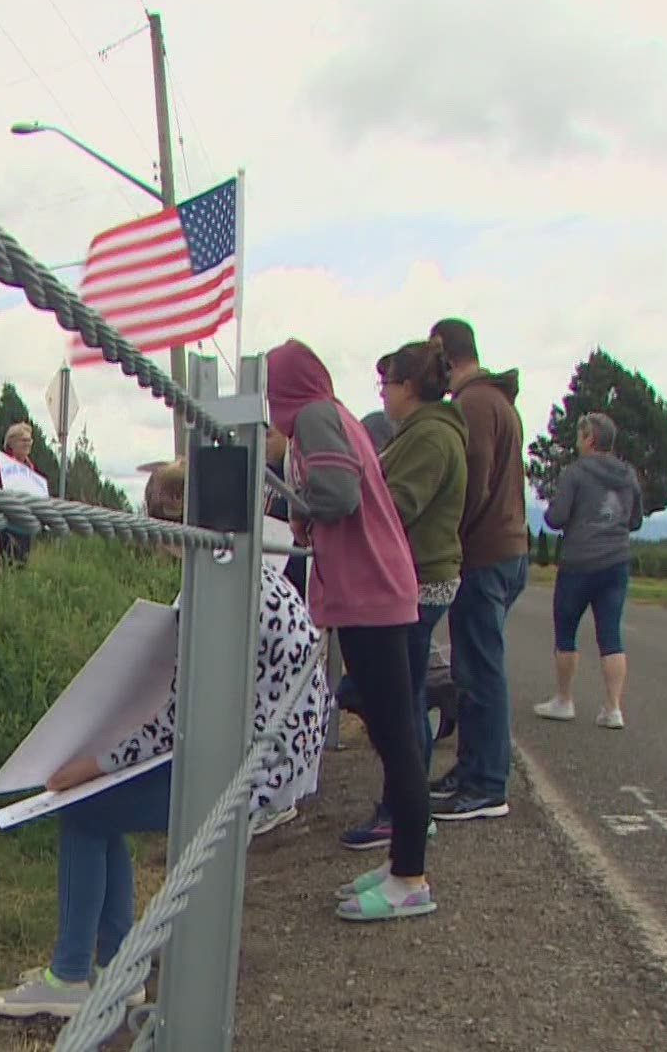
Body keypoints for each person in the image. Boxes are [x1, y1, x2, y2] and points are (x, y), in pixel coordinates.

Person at [0, 460, 330, 1019]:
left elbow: (178, 718)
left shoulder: (214, 593)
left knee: (84, 809)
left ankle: (72, 976)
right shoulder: (243, 571)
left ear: (170, 523)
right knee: (102, 810)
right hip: (276, 751)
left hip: (251, 767)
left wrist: (96, 763)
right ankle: (119, 966)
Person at [266, 339, 434, 923]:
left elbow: (337, 495)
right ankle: (400, 864)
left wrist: (294, 502)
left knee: (396, 739)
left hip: (371, 595)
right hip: (374, 589)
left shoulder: (313, 418)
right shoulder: (335, 415)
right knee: (393, 735)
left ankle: (411, 876)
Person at [340, 341, 469, 851]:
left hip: (415, 581)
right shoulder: (424, 434)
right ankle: (405, 804)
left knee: (389, 699)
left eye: (386, 385)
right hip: (414, 578)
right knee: (397, 696)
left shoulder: (430, 439)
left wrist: (344, 510)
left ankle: (403, 810)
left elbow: (396, 505)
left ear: (408, 387)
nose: (384, 396)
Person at [426, 317, 529, 823]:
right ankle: (471, 769)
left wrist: (446, 535)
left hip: (484, 555)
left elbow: (472, 485)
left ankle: (486, 783)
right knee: (474, 666)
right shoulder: (499, 402)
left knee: (481, 671)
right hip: (506, 550)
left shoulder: (472, 406)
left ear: (445, 353)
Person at [535, 412, 644, 729]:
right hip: (616, 562)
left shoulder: (576, 473)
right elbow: (635, 520)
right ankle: (612, 709)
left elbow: (556, 518)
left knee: (566, 632)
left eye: (580, 436)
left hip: (579, 563)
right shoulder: (628, 475)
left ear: (590, 439)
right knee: (611, 635)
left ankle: (564, 699)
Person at [0, 421, 49, 567]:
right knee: (5, 568)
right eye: (24, 440)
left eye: (30, 440)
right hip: (6, 527)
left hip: (25, 528)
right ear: (12, 443)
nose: (28, 443)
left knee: (20, 569)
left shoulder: (30, 468)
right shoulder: (4, 466)